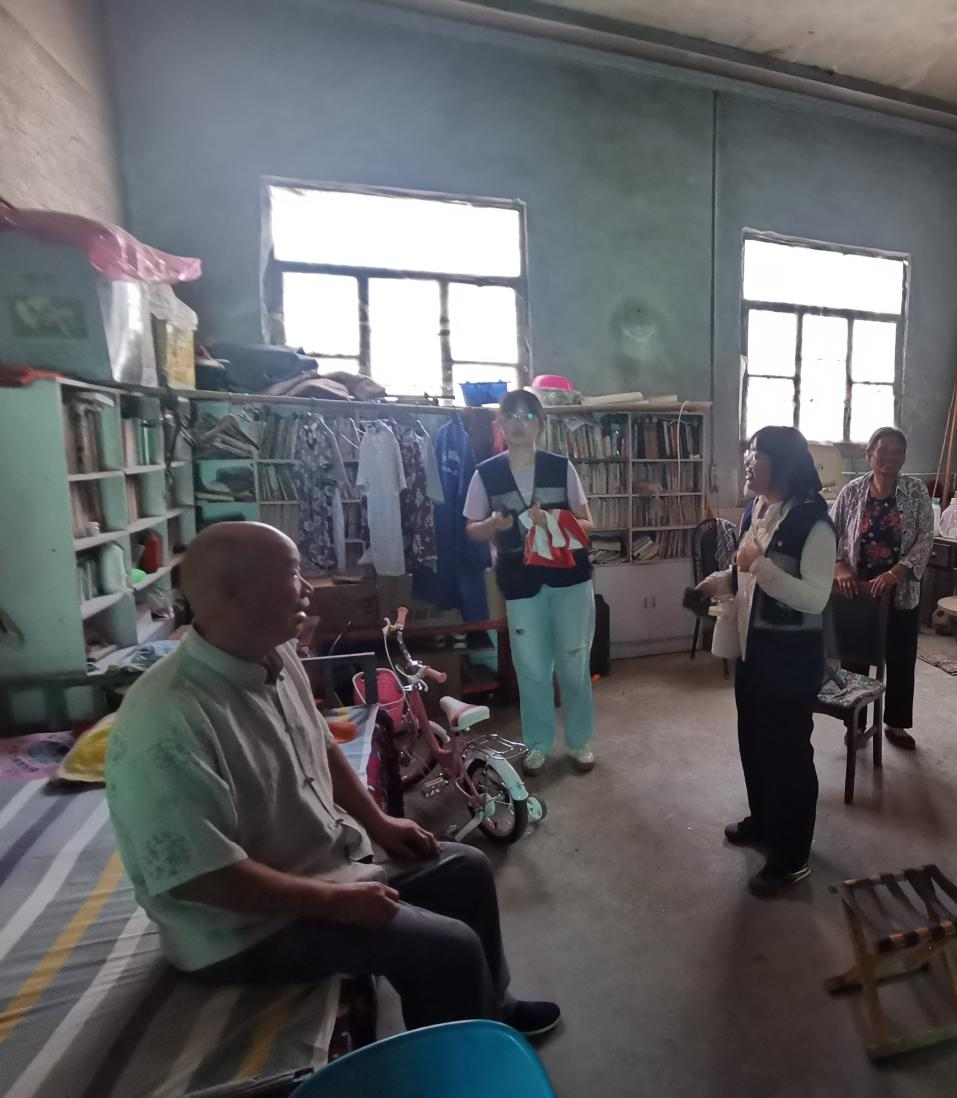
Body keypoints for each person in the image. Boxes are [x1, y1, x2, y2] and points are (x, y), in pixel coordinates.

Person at [105, 522, 559, 1036]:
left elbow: (319, 744)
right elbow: (201, 877)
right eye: (292, 573)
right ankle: (462, 1057)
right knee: (448, 949)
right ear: (233, 593)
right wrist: (333, 902)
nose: (307, 588)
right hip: (245, 927)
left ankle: (492, 1007)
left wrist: (380, 823)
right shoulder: (166, 719)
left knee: (467, 869)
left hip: (321, 863)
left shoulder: (275, 655)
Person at [697, 426, 835, 897]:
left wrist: (759, 564)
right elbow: (744, 572)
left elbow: (814, 599)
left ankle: (793, 857)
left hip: (791, 660)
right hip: (752, 651)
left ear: (784, 463)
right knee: (754, 744)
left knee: (788, 756)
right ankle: (764, 821)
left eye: (757, 455)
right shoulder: (755, 509)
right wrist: (720, 581)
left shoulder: (814, 523)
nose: (749, 462)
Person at [465, 389, 596, 775]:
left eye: (527, 416)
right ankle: (538, 743)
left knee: (573, 663)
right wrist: (491, 525)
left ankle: (580, 741)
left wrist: (550, 522)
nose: (519, 424)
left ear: (540, 423)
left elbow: (588, 523)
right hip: (520, 584)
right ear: (500, 424)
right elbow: (472, 528)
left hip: (570, 581)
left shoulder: (561, 467)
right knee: (532, 668)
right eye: (511, 416)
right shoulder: (485, 473)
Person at [831, 427, 935, 751]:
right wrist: (839, 566)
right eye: (884, 451)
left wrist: (896, 572)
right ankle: (855, 722)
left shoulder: (916, 491)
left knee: (901, 658)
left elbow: (925, 538)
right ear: (869, 455)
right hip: (858, 593)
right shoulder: (851, 492)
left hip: (899, 591)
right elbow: (828, 532)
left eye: (897, 452)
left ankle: (896, 723)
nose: (891, 457)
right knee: (854, 659)